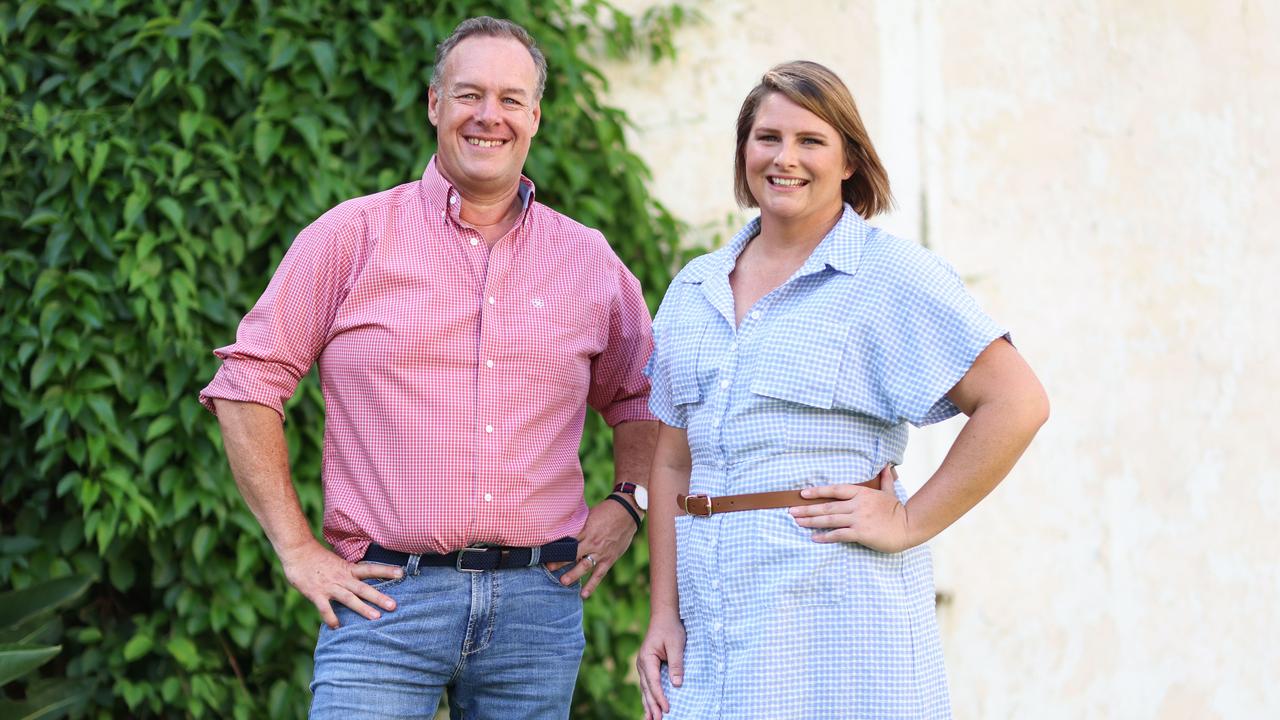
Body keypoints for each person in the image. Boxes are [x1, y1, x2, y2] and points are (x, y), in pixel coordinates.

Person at [199, 16, 657, 720]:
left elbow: (644, 393)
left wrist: (631, 500)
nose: (489, 116)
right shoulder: (350, 237)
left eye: (510, 99)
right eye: (469, 94)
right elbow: (247, 384)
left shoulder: (586, 258)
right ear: (434, 104)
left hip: (539, 605)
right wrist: (295, 546)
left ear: (535, 115)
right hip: (386, 598)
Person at [635, 61, 1049, 719]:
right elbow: (671, 462)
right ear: (744, 151)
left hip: (836, 624)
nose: (784, 158)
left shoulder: (891, 277)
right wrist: (663, 613)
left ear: (850, 160)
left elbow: (1018, 402)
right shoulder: (694, 288)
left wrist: (910, 520)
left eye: (811, 140)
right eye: (767, 137)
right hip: (710, 634)